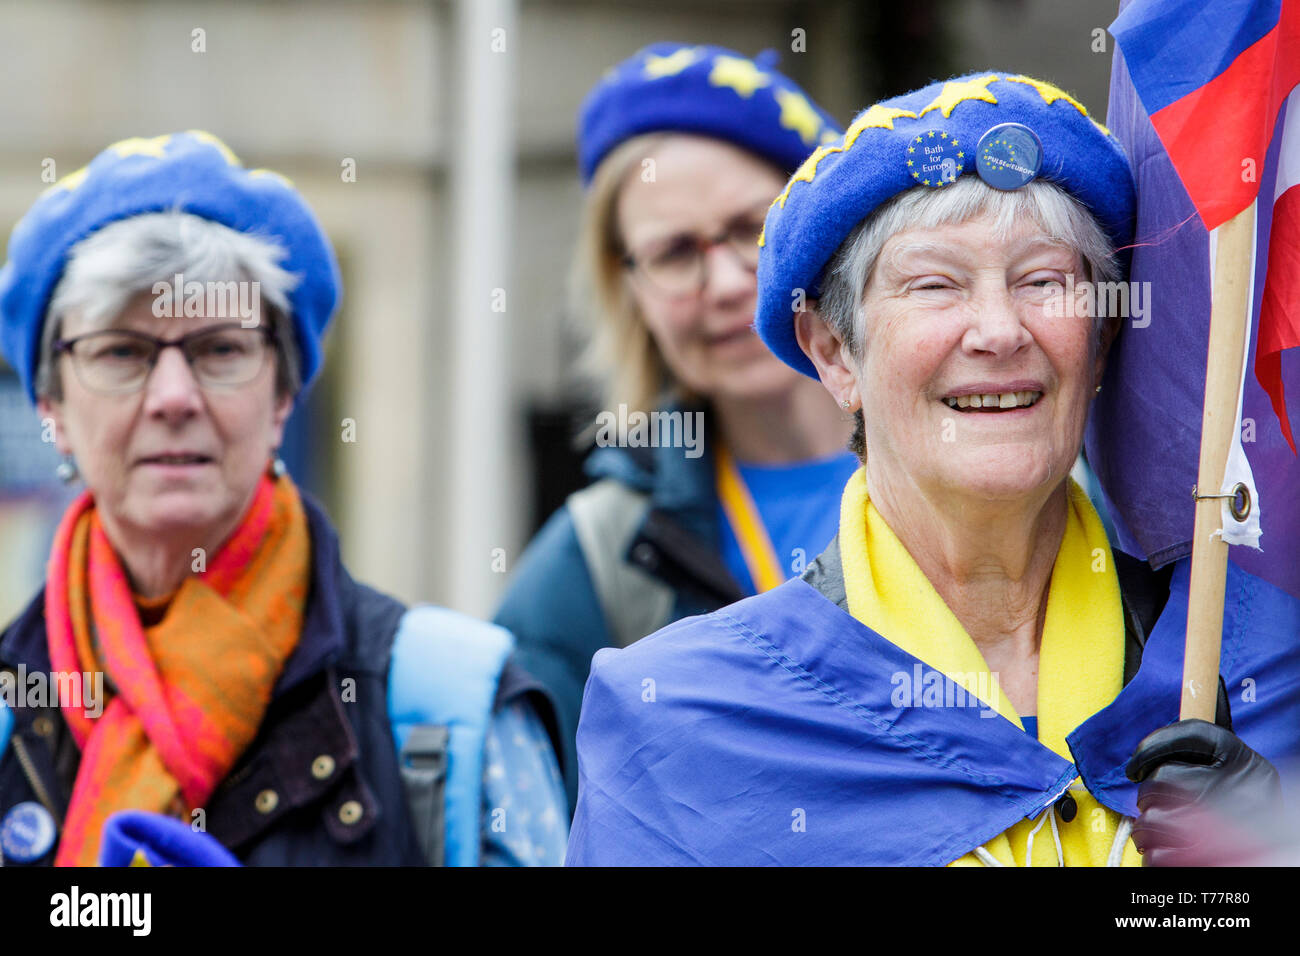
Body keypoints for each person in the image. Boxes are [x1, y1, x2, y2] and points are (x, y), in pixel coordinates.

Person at [566, 73, 1294, 866]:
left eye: (1042, 281)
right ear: (835, 352)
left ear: (1101, 342)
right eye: (934, 284)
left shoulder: (1254, 666)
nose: (998, 330)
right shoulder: (685, 725)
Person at [0, 132, 567, 866]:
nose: (174, 397)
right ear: (50, 406)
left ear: (283, 395)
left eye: (220, 351)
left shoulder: (451, 713)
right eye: (121, 352)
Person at [494, 44, 859, 808]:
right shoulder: (598, 561)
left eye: (751, 229)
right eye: (673, 252)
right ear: (627, 292)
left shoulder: (999, 462)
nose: (726, 283)